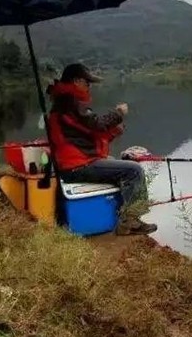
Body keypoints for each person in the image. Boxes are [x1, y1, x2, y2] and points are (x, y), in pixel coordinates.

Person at [46, 62, 157, 236]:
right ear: (76, 81)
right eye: (86, 82)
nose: (89, 86)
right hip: (76, 166)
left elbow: (87, 135)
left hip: (74, 163)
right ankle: (130, 222)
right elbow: (97, 124)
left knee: (117, 164)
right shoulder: (70, 102)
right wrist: (118, 113)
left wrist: (114, 131)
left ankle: (121, 215)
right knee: (133, 171)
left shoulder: (64, 102)